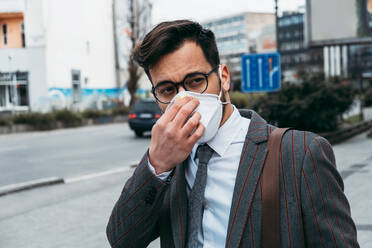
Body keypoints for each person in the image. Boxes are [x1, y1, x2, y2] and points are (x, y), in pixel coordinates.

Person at [106, 20, 359, 248]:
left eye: (195, 81)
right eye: (168, 89)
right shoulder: (167, 163)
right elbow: (121, 239)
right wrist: (157, 164)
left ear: (223, 78)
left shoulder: (300, 153)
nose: (184, 99)